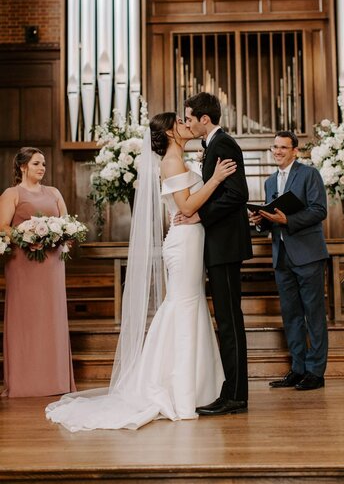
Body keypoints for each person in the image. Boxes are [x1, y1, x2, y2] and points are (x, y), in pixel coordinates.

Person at [45, 113, 236, 431]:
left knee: (188, 304)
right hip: (184, 243)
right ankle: (180, 391)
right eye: (180, 121)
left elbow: (191, 209)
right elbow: (186, 207)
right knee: (183, 305)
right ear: (169, 132)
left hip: (191, 239)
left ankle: (199, 387)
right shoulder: (171, 162)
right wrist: (215, 179)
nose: (188, 124)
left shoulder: (180, 158)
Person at [178, 92, 253, 416]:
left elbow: (238, 193)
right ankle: (231, 390)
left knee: (229, 320)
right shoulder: (215, 145)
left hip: (224, 244)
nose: (189, 123)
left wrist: (200, 215)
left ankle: (235, 394)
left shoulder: (223, 144)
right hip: (220, 244)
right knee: (225, 318)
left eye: (190, 118)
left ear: (204, 119)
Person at [250, 131, 329, 391]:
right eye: (275, 147)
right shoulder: (270, 181)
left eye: (284, 147)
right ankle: (297, 369)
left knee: (313, 315)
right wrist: (261, 222)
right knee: (291, 315)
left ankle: (315, 372)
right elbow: (273, 217)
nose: (278, 151)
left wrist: (288, 220)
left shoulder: (309, 175)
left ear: (295, 150)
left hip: (308, 255)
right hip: (282, 257)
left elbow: (319, 211)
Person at [0, 147, 76, 397]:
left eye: (43, 163)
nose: (42, 168)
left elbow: (68, 223)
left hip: (52, 264)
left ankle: (55, 380)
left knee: (51, 317)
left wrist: (66, 236)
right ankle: (24, 382)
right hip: (23, 263)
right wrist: (26, 236)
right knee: (26, 319)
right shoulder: (12, 193)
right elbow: (3, 226)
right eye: (36, 164)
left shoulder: (54, 192)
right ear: (23, 167)